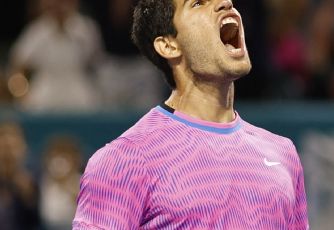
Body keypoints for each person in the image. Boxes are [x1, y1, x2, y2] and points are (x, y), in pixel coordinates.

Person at [73, 0, 309, 229]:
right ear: (169, 45)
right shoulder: (124, 160)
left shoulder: (283, 153)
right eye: (198, 3)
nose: (225, 3)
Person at [8, 0, 103, 113]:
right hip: (44, 96)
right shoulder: (36, 31)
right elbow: (18, 67)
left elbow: (97, 62)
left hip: (79, 95)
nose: (60, 6)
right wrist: (21, 95)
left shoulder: (86, 28)